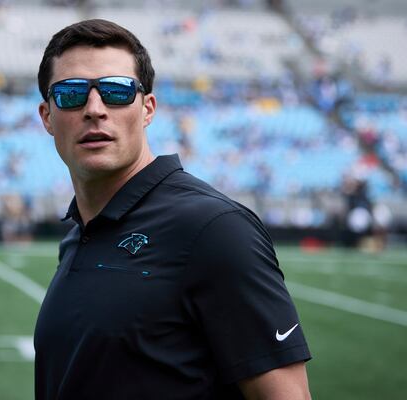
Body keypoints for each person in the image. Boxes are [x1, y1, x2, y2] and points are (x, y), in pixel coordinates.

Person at [34, 19, 312, 399]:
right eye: (71, 93)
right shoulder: (79, 233)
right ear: (47, 116)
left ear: (147, 109)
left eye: (116, 91)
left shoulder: (214, 228)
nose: (95, 108)